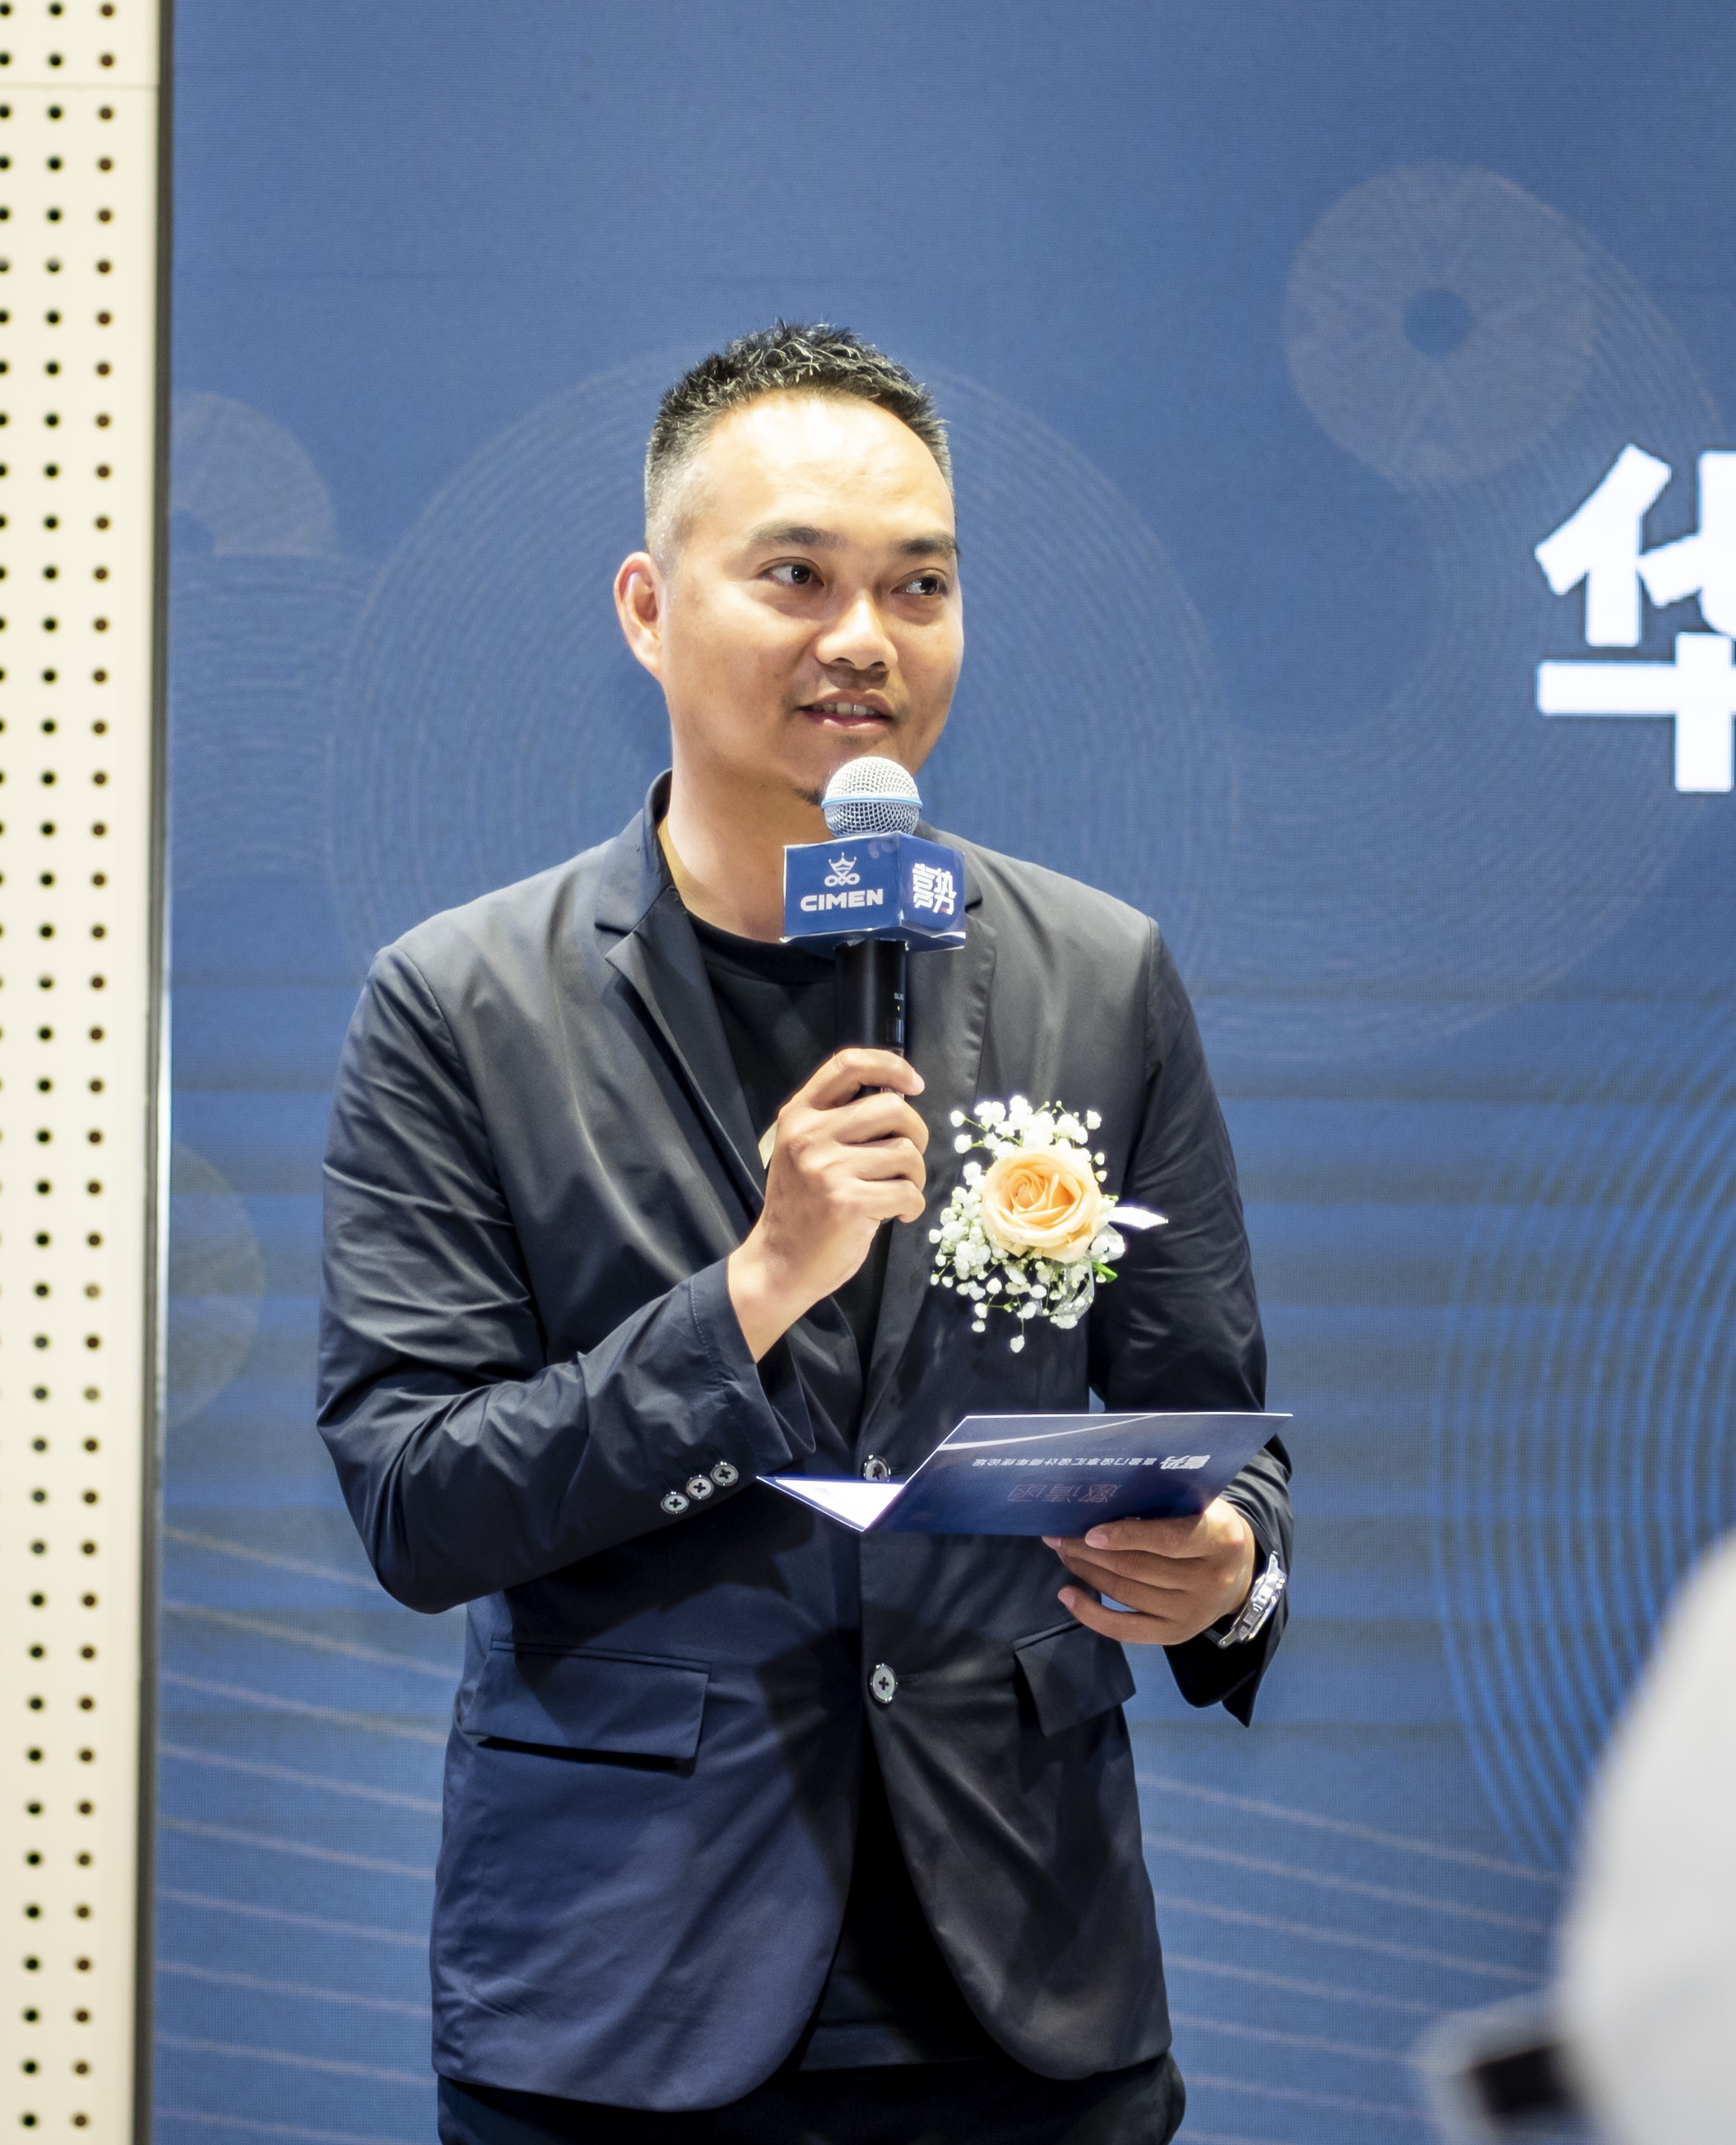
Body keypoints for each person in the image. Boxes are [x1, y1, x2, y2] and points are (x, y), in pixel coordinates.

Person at [314, 325, 1293, 2145]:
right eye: (795, 578)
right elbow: (418, 1501)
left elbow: (1213, 1423)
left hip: (1030, 1991)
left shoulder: (1096, 975)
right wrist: (755, 1291)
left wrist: (1228, 1567)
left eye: (918, 586)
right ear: (645, 608)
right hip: (620, 2000)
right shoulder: (462, 1005)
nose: (865, 638)